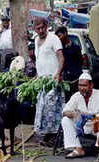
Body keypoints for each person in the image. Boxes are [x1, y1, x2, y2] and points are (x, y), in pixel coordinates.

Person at [33, 17, 65, 146]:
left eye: (42, 27)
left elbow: (61, 58)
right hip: (42, 82)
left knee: (52, 108)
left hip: (53, 80)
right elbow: (39, 59)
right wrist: (36, 75)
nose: (40, 30)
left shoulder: (54, 39)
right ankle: (46, 135)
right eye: (38, 28)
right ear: (34, 29)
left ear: (47, 26)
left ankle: (54, 136)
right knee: (42, 108)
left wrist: (58, 74)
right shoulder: (36, 40)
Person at [62, 72, 99, 158]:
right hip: (82, 126)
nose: (81, 88)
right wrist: (75, 115)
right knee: (65, 120)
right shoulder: (76, 96)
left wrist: (88, 117)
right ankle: (78, 148)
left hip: (96, 126)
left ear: (91, 85)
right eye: (80, 85)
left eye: (84, 85)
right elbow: (65, 111)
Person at [55, 26, 83, 98]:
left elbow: (80, 62)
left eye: (60, 36)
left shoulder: (75, 47)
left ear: (65, 34)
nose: (58, 38)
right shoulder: (60, 49)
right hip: (65, 79)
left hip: (75, 79)